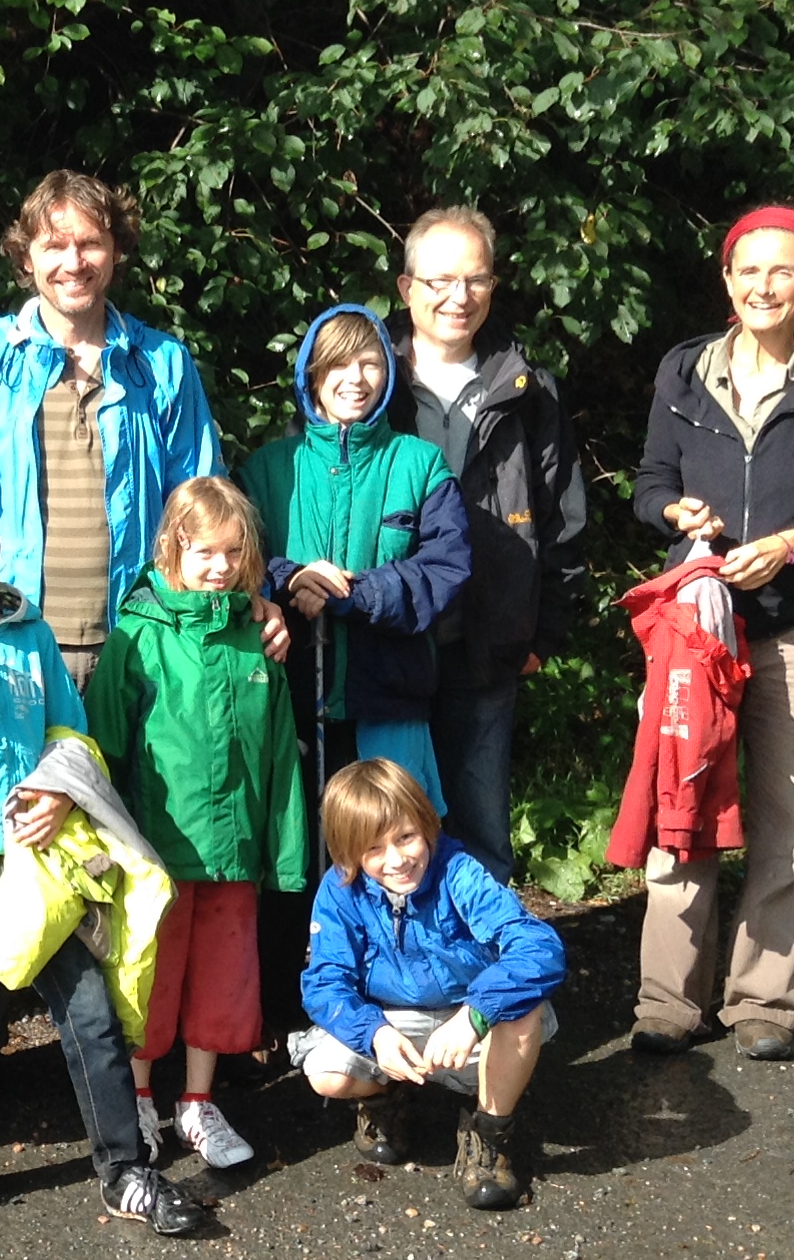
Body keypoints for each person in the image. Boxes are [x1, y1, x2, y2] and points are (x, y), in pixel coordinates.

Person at [0, 484, 204, 1234]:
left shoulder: (31, 632)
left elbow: (71, 730)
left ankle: (124, 1169)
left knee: (89, 1008)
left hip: (38, 852)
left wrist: (61, 794)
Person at [627, 204, 794, 1062]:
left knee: (791, 817)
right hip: (696, 625)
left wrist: (791, 544)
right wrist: (675, 512)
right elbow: (649, 483)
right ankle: (668, 1002)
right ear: (726, 278)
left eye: (783, 270)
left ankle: (763, 1001)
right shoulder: (683, 370)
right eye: (749, 269)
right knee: (682, 804)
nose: (763, 286)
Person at [237, 303, 471, 1038]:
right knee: (293, 861)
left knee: (393, 857)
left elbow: (445, 570)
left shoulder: (418, 464)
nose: (356, 378)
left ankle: (397, 1016)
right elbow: (238, 560)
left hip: (387, 702)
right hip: (288, 702)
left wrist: (355, 591)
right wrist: (290, 578)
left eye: (370, 363)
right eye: (338, 364)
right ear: (311, 376)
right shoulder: (269, 469)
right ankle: (283, 1015)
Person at [84, 477, 309, 1171]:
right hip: (156, 853)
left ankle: (198, 1103)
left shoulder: (258, 641)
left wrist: (287, 854)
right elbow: (104, 749)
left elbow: (280, 755)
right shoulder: (136, 635)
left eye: (235, 553)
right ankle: (140, 1099)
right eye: (206, 551)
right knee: (148, 979)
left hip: (233, 850)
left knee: (222, 978)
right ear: (172, 546)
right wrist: (107, 849)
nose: (221, 567)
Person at [0, 171, 230, 689]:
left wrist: (238, 606)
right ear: (26, 258)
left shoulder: (162, 363)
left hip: (144, 640)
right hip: (12, 641)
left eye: (91, 243)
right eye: (54, 246)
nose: (73, 263)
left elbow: (206, 508)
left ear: (117, 251)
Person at [386, 207, 589, 883]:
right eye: (440, 280)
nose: (459, 296)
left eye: (475, 279)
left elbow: (564, 521)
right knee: (385, 827)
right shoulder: (369, 381)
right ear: (406, 288)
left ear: (493, 287)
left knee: (479, 830)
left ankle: (484, 953)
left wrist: (543, 634)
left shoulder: (528, 390)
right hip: (389, 643)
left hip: (489, 644)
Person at [290, 759, 564, 1212]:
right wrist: (375, 1034)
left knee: (523, 1009)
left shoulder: (459, 872)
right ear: (349, 853)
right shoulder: (339, 890)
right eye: (374, 848)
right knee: (326, 1074)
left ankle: (489, 1133)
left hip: (467, 1016)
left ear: (426, 824)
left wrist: (476, 1014)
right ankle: (385, 1100)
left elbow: (538, 946)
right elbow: (325, 983)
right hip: (393, 1022)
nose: (396, 860)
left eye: (405, 837)